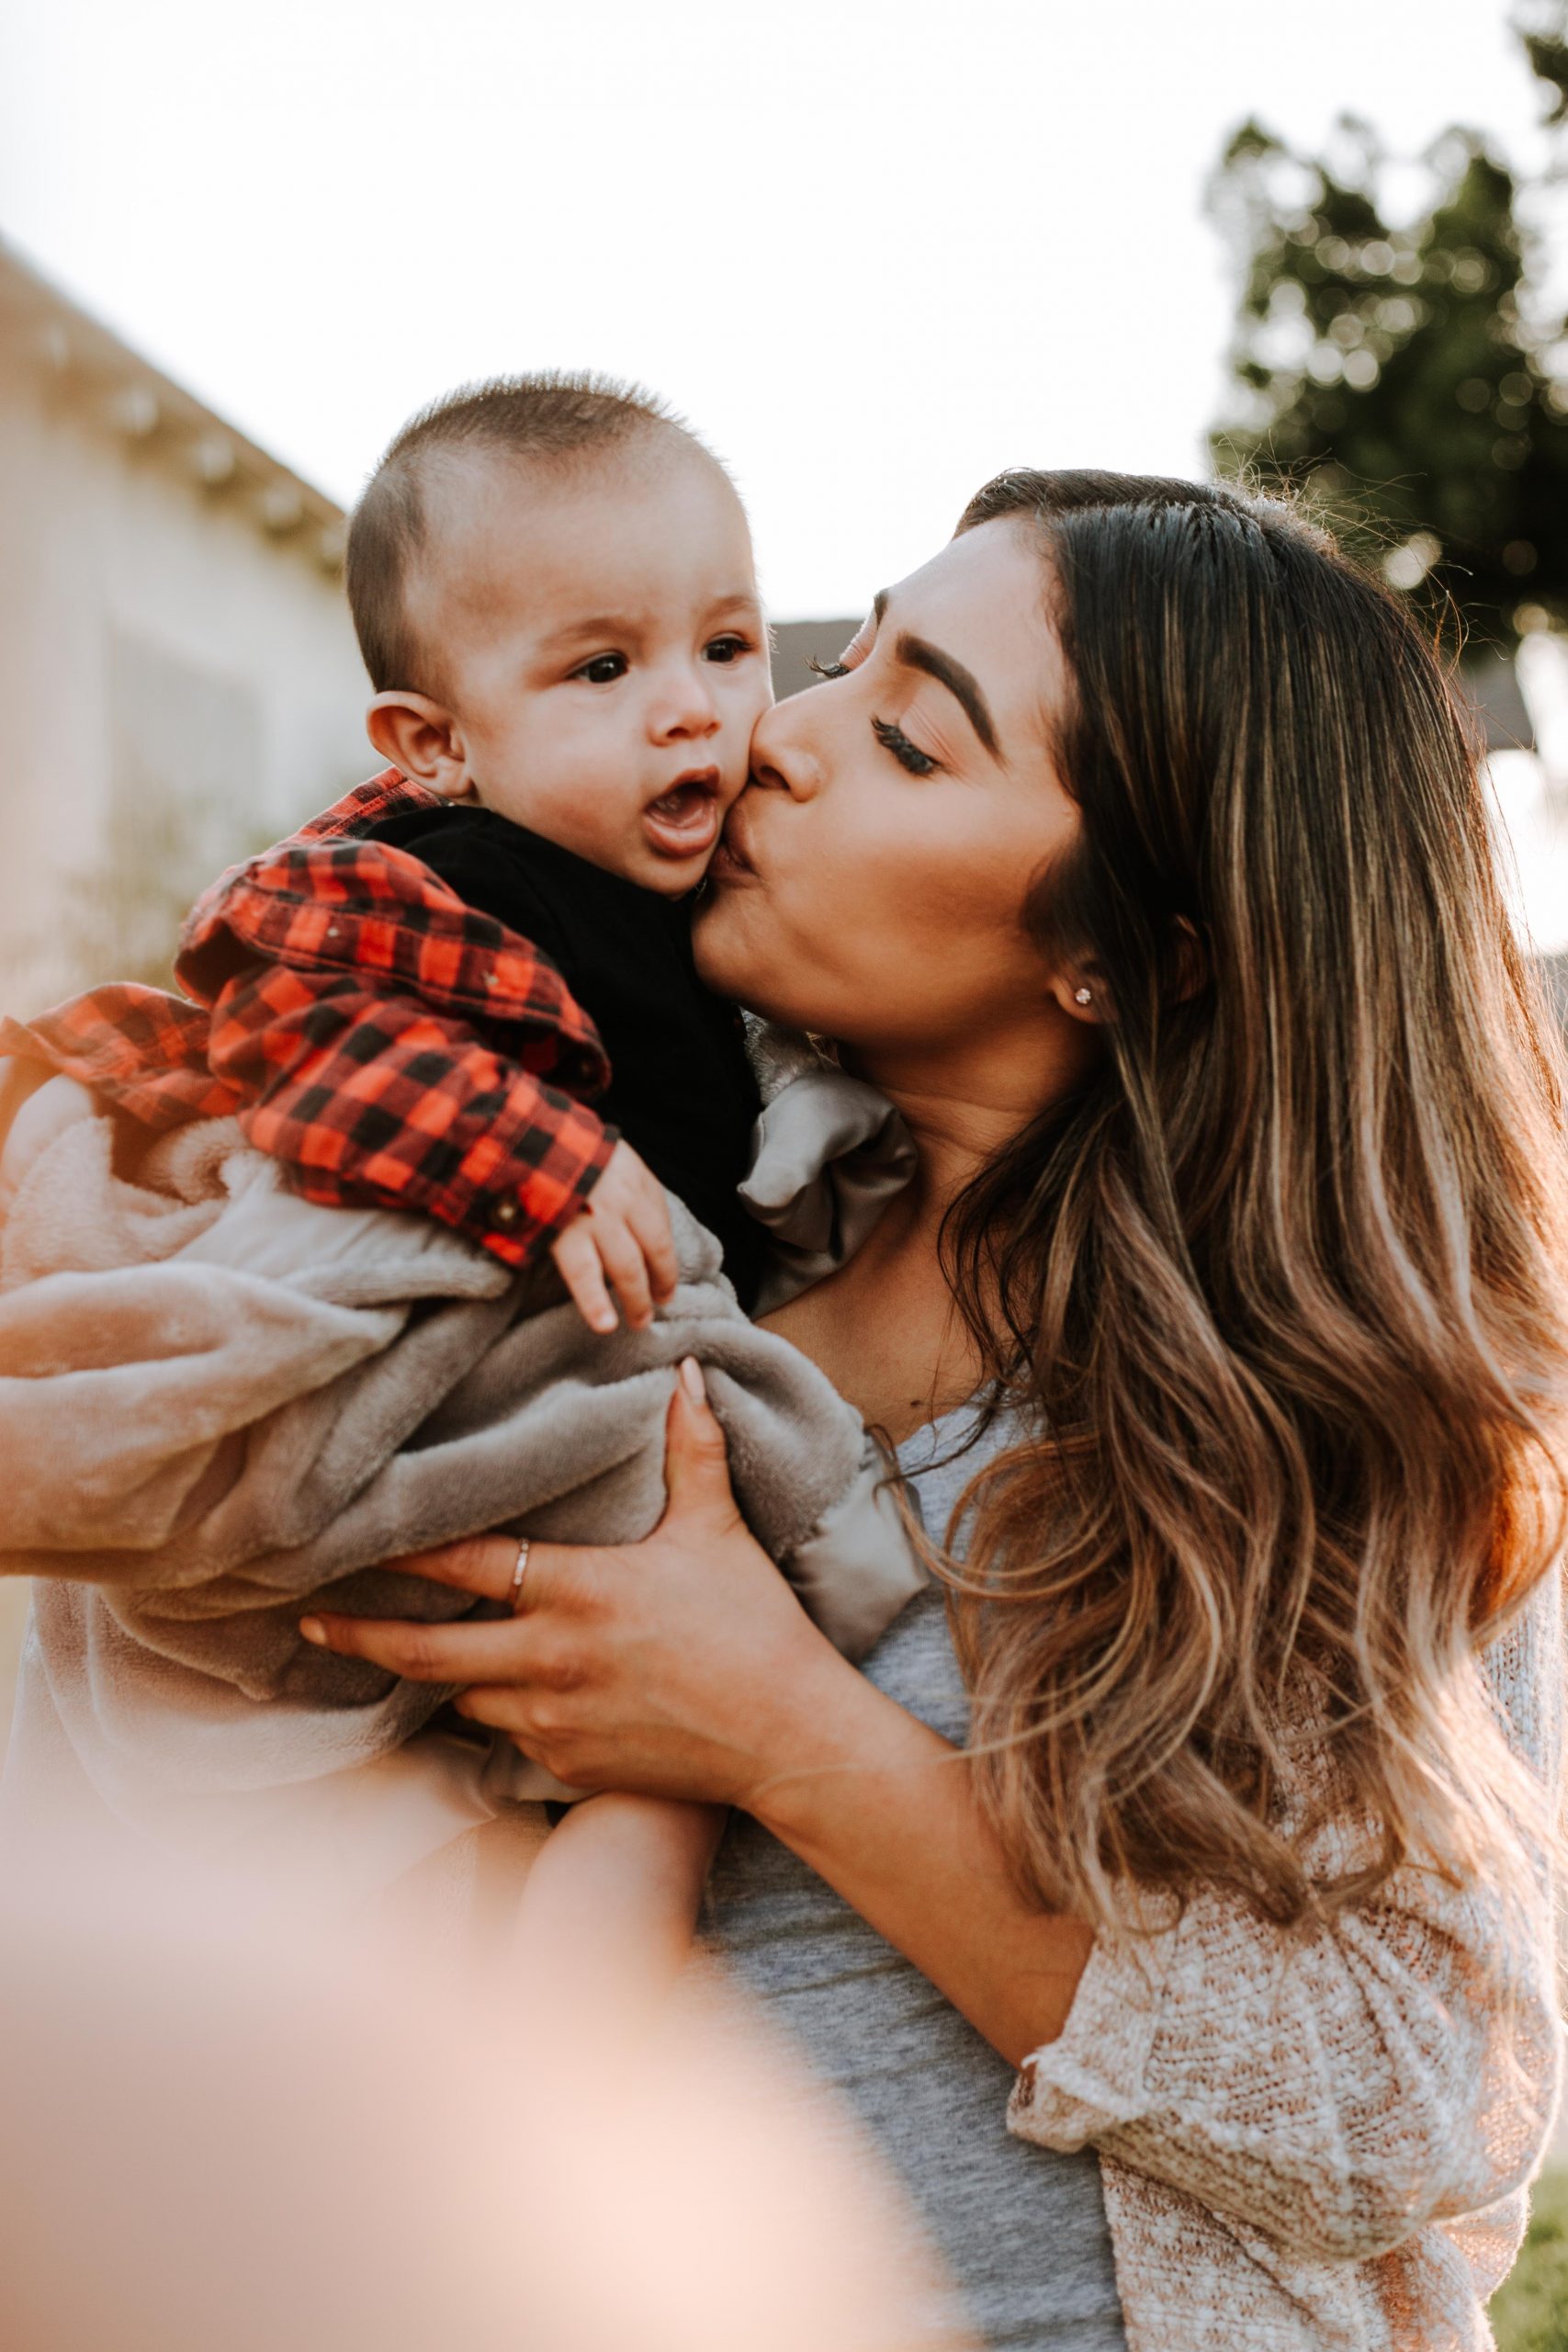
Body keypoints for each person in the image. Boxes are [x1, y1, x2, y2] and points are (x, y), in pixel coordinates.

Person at [307, 471, 1568, 2349]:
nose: (777, 736)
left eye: (903, 733)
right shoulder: (622, 1281)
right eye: (836, 663)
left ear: (1138, 949)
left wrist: (777, 1726)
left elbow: (1399, 2113)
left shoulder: (1312, 1403)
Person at [0, 374, 922, 1973]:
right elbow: (292, 1012)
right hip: (435, 1360)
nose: (693, 707)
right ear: (435, 743)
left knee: (613, 1787)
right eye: (600, 667)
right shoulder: (441, 875)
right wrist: (538, 1162)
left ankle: (549, 2047)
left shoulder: (693, 907)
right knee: (526, 1812)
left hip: (590, 1405)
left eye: (725, 643)